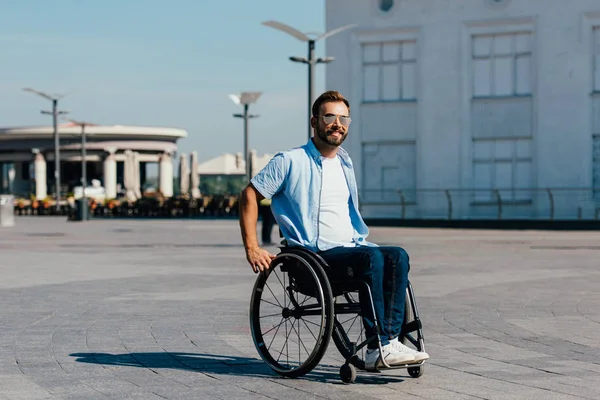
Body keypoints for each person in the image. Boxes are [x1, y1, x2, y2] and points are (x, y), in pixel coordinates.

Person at [238, 90, 429, 370]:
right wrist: (252, 247)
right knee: (371, 259)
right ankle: (380, 345)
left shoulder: (345, 162)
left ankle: (389, 341)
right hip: (313, 257)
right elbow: (249, 195)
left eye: (344, 118)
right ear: (314, 121)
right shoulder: (290, 161)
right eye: (330, 117)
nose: (337, 123)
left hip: (350, 248)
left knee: (397, 255)